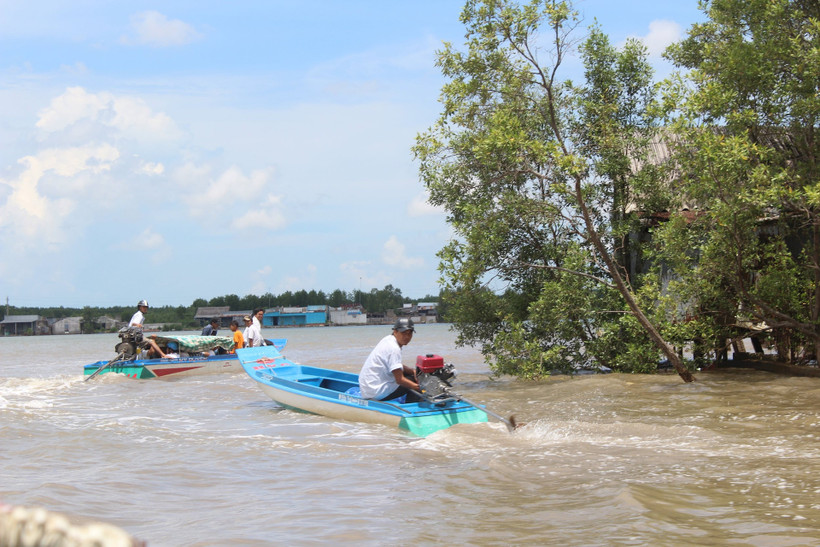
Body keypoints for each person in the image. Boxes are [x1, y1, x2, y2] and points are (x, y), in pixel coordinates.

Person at [359, 318, 420, 401]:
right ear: (395, 331)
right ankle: (412, 407)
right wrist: (419, 388)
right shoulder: (394, 348)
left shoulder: (388, 339)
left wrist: (413, 371)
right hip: (376, 392)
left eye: (409, 334)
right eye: (403, 333)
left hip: (368, 389)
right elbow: (400, 380)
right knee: (412, 381)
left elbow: (394, 364)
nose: (407, 337)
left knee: (411, 375)